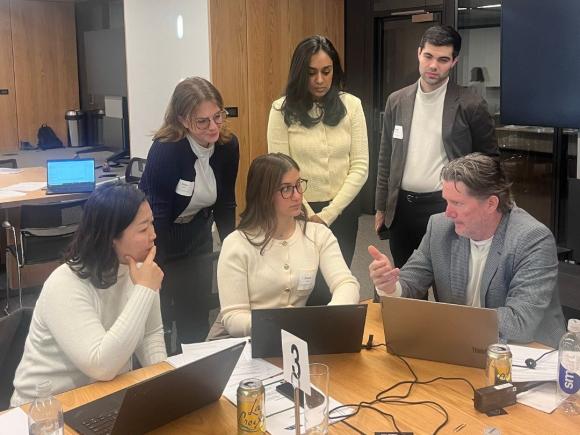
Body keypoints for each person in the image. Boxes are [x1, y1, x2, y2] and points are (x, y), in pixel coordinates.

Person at [369, 153, 566, 347]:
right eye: (446, 201)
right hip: (464, 346)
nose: (448, 212)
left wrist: (445, 319)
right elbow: (412, 280)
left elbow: (520, 323)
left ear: (491, 203)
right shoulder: (439, 227)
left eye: (457, 203)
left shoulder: (532, 239)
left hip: (529, 354)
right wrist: (390, 286)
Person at [11, 183, 166, 407]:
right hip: (45, 410)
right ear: (112, 237)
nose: (153, 235)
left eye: (151, 223)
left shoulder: (141, 271)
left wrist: (163, 382)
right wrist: (144, 291)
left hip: (104, 396)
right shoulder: (65, 283)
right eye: (143, 229)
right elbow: (101, 365)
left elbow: (151, 333)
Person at [375, 25, 498, 269]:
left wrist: (482, 210)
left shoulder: (471, 104)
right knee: (408, 285)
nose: (433, 66)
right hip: (403, 209)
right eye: (428, 56)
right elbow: (385, 157)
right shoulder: (397, 101)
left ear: (454, 61)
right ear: (419, 53)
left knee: (449, 285)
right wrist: (381, 207)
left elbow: (490, 161)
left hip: (447, 207)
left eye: (443, 60)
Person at [268, 35, 368, 305]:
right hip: (296, 210)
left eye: (326, 71)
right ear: (300, 73)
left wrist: (328, 215)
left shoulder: (352, 106)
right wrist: (310, 215)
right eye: (312, 73)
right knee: (302, 288)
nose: (320, 80)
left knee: (336, 286)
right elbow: (280, 170)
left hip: (342, 211)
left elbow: (360, 166)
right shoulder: (280, 109)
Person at [213, 153, 360, 338]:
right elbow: (234, 318)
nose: (297, 195)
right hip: (249, 340)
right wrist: (278, 324)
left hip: (295, 338)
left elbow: (347, 284)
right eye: (286, 189)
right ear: (264, 194)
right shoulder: (236, 244)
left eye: (298, 185)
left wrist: (328, 316)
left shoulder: (318, 234)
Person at [140, 77, 239, 347]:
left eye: (218, 117)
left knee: (194, 318)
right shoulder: (167, 150)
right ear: (183, 120)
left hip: (196, 235)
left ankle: (192, 378)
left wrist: (235, 248)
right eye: (202, 121)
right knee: (158, 320)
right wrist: (154, 262)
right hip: (160, 236)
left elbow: (226, 203)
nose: (213, 127)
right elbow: (158, 214)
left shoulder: (228, 147)